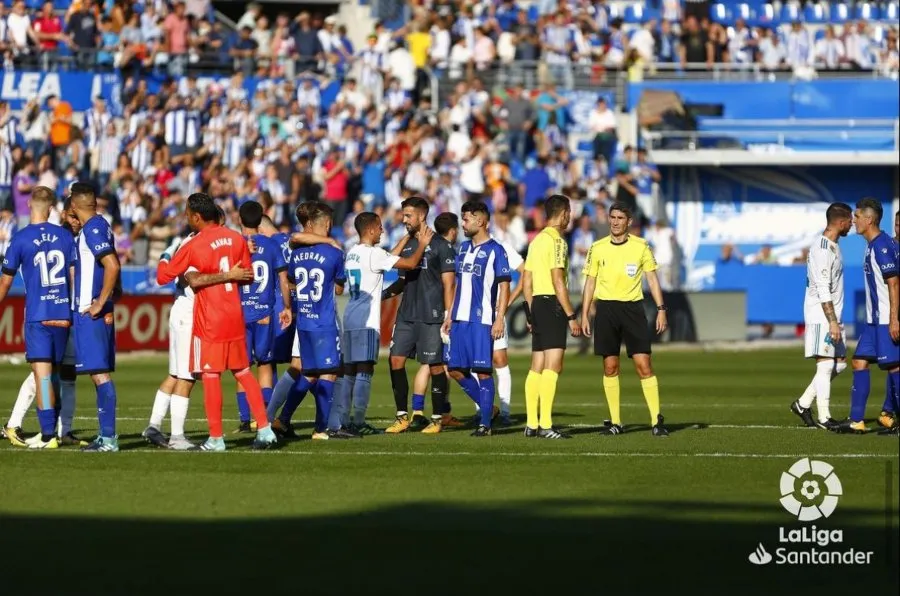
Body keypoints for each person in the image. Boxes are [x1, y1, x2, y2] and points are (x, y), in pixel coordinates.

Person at [156, 192, 277, 451]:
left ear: (197, 217)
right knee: (244, 372)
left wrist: (165, 255)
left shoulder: (193, 244)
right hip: (234, 314)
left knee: (211, 375)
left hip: (209, 320)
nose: (186, 218)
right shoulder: (236, 239)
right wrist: (228, 276)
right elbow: (247, 276)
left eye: (188, 214)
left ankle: (216, 438)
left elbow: (163, 277)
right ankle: (265, 430)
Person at [580, 202, 670, 437]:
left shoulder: (641, 247)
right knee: (610, 367)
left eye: (620, 218)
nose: (615, 222)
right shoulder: (597, 248)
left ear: (629, 222)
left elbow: (652, 279)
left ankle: (656, 421)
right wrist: (585, 313)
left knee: (644, 365)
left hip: (633, 310)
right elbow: (590, 282)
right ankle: (616, 423)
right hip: (606, 311)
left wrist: (661, 309)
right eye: (612, 217)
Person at [340, 211, 432, 433]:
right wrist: (422, 244)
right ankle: (359, 421)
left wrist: (405, 239)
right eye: (380, 227)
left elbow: (388, 257)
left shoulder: (353, 252)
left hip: (350, 316)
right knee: (365, 369)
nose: (382, 230)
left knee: (350, 370)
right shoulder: (374, 254)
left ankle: (342, 419)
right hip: (366, 319)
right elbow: (409, 264)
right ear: (371, 229)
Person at [3, 197, 84, 447]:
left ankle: (48, 434)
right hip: (62, 316)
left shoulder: (20, 238)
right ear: (51, 208)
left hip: (38, 316)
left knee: (43, 377)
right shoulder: (65, 237)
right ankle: (59, 431)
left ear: (29, 206)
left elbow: (5, 281)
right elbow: (73, 275)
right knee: (57, 376)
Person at [384, 196, 455, 433]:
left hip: (431, 314)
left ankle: (437, 417)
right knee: (395, 360)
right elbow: (392, 266)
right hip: (406, 314)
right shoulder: (408, 242)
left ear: (422, 216)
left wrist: (448, 314)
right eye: (403, 215)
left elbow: (448, 284)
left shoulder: (442, 245)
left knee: (434, 365)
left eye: (408, 216)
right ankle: (402, 416)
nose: (404, 219)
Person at [442, 201, 511, 436]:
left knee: (483, 372)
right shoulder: (462, 248)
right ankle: (488, 409)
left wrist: (500, 318)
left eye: (466, 219)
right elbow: (459, 285)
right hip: (459, 319)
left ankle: (485, 425)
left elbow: (504, 287)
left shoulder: (496, 250)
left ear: (480, 221)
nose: (462, 224)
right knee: (455, 370)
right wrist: (450, 314)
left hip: (482, 321)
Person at [836, 198, 899, 435]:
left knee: (894, 367)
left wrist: (894, 319)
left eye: (857, 216)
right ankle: (857, 421)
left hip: (884, 320)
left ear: (869, 219)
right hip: (873, 321)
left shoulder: (881, 247)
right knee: (859, 361)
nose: (854, 220)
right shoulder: (873, 244)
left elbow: (894, 283)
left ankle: (891, 417)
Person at [287, 202, 349, 440]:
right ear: (328, 224)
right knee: (329, 373)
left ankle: (283, 419)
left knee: (309, 373)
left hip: (304, 322)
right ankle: (321, 429)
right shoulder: (334, 253)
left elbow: (292, 282)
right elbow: (340, 289)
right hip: (324, 322)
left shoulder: (296, 253)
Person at [522, 194, 580, 439]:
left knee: (537, 365)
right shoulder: (557, 241)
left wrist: (529, 311)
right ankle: (546, 424)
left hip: (537, 304)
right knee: (554, 365)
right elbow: (558, 280)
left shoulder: (536, 240)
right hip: (553, 305)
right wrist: (571, 315)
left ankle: (531, 424)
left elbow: (526, 281)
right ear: (564, 213)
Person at [789, 202, 852, 431]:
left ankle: (803, 403)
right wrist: (832, 321)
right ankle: (825, 418)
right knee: (825, 365)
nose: (853, 223)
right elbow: (823, 287)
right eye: (850, 220)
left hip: (833, 315)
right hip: (821, 315)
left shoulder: (834, 246)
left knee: (841, 364)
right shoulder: (822, 249)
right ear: (841, 221)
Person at [70, 182, 123, 452]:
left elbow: (111, 264)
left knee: (99, 374)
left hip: (90, 312)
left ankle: (109, 438)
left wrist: (100, 302)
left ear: (74, 204)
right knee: (96, 373)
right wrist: (115, 294)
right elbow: (115, 261)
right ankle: (106, 436)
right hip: (96, 311)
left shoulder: (92, 229)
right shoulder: (99, 225)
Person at [233, 201, 292, 432]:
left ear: (239, 219)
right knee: (265, 365)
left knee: (242, 367)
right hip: (264, 315)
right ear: (260, 221)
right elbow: (283, 279)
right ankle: (264, 418)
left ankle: (245, 421)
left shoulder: (235, 244)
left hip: (240, 314)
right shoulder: (271, 245)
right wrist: (286, 307)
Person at [878, 210, 900, 431]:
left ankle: (887, 409)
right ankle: (887, 410)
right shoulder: (889, 248)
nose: (898, 228)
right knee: (894, 363)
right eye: (897, 224)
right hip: (894, 312)